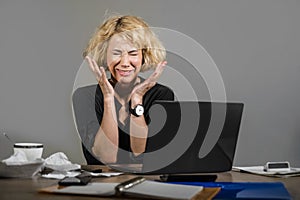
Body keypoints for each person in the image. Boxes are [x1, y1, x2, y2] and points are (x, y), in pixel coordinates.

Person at [83, 15, 174, 164]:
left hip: (146, 184)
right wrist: (108, 98)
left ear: (144, 57)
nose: (125, 63)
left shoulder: (162, 95)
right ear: (105, 56)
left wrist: (137, 99)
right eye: (116, 53)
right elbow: (106, 158)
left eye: (133, 54)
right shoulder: (85, 96)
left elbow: (140, 155)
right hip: (99, 185)